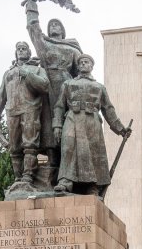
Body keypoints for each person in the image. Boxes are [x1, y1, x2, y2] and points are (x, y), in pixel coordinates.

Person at [53, 54, 129, 195]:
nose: (83, 64)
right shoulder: (68, 84)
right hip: (72, 118)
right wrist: (57, 125)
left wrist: (121, 129)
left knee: (93, 152)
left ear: (91, 66)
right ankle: (65, 181)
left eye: (86, 62)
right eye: (80, 62)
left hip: (91, 121)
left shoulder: (99, 87)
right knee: (68, 148)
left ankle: (92, 186)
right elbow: (59, 106)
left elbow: (108, 109)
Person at [25, 0, 82, 166]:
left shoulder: (73, 48)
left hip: (67, 87)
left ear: (63, 30)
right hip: (47, 85)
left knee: (69, 122)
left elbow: (81, 71)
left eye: (57, 25)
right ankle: (52, 161)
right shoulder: (44, 45)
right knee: (48, 122)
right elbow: (33, 30)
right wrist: (31, 8)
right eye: (51, 25)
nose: (53, 27)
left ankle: (69, 163)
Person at [0, 42, 49, 184]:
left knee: (30, 144)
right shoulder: (8, 72)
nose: (21, 51)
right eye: (19, 49)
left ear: (29, 52)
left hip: (30, 109)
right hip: (12, 111)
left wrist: (28, 75)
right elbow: (0, 94)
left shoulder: (36, 69)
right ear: (15, 53)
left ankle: (28, 176)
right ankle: (18, 177)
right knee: (14, 147)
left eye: (24, 49)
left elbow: (45, 86)